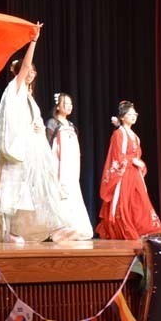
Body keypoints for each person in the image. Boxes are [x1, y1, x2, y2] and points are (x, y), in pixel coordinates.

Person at [0, 25, 78, 243]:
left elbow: (32, 119)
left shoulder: (27, 96)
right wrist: (34, 41)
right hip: (16, 147)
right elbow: (26, 64)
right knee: (12, 187)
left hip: (29, 147)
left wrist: (36, 127)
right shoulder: (14, 88)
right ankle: (5, 230)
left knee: (32, 188)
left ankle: (52, 227)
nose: (30, 73)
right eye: (27, 70)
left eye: (33, 71)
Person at [96, 101, 161, 239]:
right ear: (122, 117)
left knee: (139, 202)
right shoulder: (119, 134)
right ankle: (125, 229)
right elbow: (117, 157)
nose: (134, 116)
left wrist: (140, 163)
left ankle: (144, 230)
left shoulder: (135, 136)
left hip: (134, 174)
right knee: (125, 203)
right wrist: (132, 161)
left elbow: (137, 156)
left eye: (135, 114)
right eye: (130, 114)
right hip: (124, 175)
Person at [45, 93, 94, 240]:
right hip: (57, 164)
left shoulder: (71, 126)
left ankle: (74, 227)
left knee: (72, 192)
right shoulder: (52, 123)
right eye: (65, 103)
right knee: (59, 193)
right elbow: (47, 145)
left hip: (71, 167)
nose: (69, 106)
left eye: (70, 103)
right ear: (58, 106)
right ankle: (58, 228)